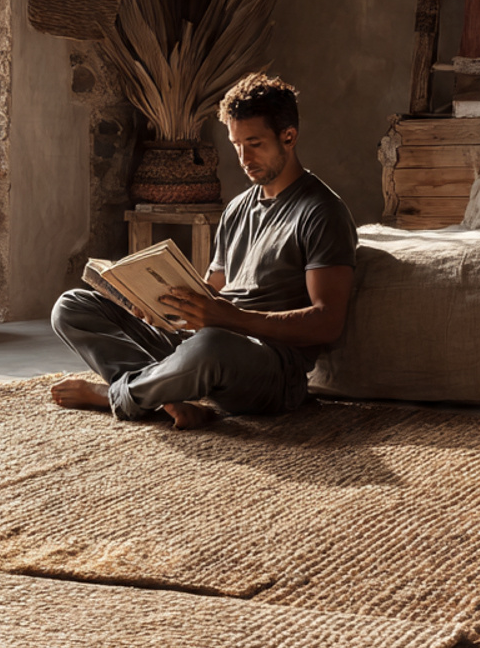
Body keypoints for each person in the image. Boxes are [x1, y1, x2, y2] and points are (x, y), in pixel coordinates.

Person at [50, 72, 357, 430]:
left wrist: (227, 318)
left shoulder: (322, 212)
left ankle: (115, 396)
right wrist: (161, 307)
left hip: (269, 368)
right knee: (71, 306)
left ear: (288, 137)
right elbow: (213, 290)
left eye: (255, 143)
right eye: (236, 144)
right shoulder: (238, 208)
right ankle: (166, 396)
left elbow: (327, 322)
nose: (243, 157)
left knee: (212, 344)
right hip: (204, 342)